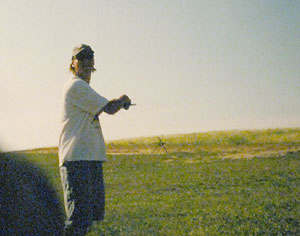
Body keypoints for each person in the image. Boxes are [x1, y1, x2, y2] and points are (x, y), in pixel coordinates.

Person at [58, 44, 132, 236]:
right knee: (78, 222)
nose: (86, 61)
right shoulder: (75, 86)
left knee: (86, 220)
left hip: (88, 159)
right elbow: (110, 108)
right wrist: (123, 99)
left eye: (89, 57)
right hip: (77, 161)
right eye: (80, 57)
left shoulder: (82, 88)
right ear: (72, 64)